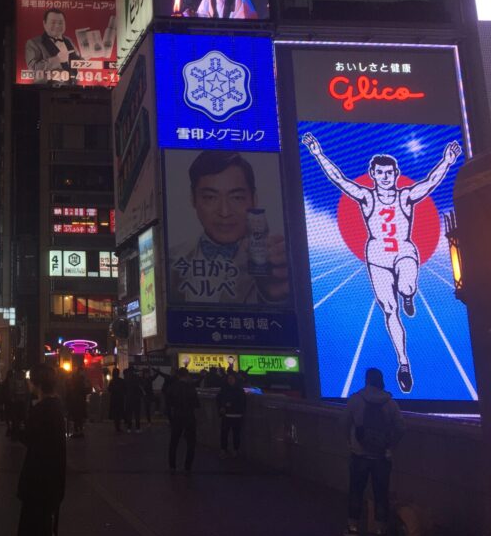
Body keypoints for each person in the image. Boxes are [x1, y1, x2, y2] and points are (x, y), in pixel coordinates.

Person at [303, 134, 462, 393]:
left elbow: (431, 182)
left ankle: (408, 295)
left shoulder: (405, 196)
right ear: (373, 174)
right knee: (390, 310)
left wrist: (446, 161)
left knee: (408, 287)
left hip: (404, 251)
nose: (386, 177)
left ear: (396, 173)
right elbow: (340, 180)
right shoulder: (367, 198)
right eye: (380, 172)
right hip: (377, 256)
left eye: (389, 172)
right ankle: (403, 363)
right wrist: (318, 154)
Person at [170, 150, 289, 305]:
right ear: (193, 200)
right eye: (210, 197)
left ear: (254, 199)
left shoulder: (276, 259)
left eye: (237, 198)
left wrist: (273, 296)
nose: (224, 212)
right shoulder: (171, 260)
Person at [341, 368, 406, 536]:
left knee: (356, 491)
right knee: (381, 494)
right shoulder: (390, 402)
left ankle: (353, 527)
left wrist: (350, 442)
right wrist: (390, 445)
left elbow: (344, 422)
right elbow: (400, 427)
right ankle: (379, 529)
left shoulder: (356, 399)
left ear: (367, 380)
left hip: (359, 454)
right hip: (381, 456)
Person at [17, 364, 66, 536]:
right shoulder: (56, 406)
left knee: (34, 527)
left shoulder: (42, 409)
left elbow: (30, 438)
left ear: (37, 383)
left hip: (38, 481)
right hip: (53, 480)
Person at [24, 8, 80, 83]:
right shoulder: (33, 43)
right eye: (53, 22)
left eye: (60, 23)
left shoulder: (68, 40)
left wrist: (84, 60)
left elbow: (75, 62)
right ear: (44, 23)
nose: (57, 26)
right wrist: (57, 59)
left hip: (73, 88)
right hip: (46, 89)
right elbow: (33, 68)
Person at [165, 367, 200, 473]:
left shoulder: (172, 387)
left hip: (177, 416)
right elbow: (197, 404)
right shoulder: (191, 388)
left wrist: (170, 418)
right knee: (190, 443)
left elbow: (168, 404)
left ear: (178, 376)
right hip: (189, 416)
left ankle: (172, 466)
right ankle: (187, 467)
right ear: (187, 376)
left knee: (174, 442)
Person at [216, 372, 247, 458]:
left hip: (234, 415)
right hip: (229, 415)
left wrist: (225, 406)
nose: (230, 380)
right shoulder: (238, 390)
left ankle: (233, 450)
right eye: (229, 379)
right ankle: (226, 450)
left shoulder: (230, 390)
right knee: (225, 434)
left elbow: (242, 403)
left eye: (232, 379)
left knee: (234, 434)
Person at [6, 368, 31, 439]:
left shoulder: (13, 381)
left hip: (16, 402)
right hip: (22, 402)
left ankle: (15, 434)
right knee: (21, 418)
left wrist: (12, 398)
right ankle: (21, 433)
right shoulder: (25, 381)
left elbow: (11, 391)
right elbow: (28, 392)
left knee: (15, 419)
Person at [65, 368, 89, 438]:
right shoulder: (81, 381)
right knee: (79, 417)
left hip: (75, 401)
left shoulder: (73, 381)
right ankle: (80, 431)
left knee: (76, 417)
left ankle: (77, 431)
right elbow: (85, 390)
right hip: (80, 401)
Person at [123, 367, 145, 433]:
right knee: (137, 414)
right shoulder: (137, 377)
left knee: (129, 414)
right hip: (136, 398)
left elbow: (124, 389)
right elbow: (142, 384)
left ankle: (129, 428)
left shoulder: (126, 379)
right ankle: (137, 428)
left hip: (129, 398)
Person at [107, 368, 126, 432]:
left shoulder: (112, 381)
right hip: (120, 399)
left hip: (114, 399)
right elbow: (124, 389)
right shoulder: (121, 381)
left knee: (115, 414)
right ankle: (118, 427)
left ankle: (117, 426)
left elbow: (109, 389)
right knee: (119, 413)